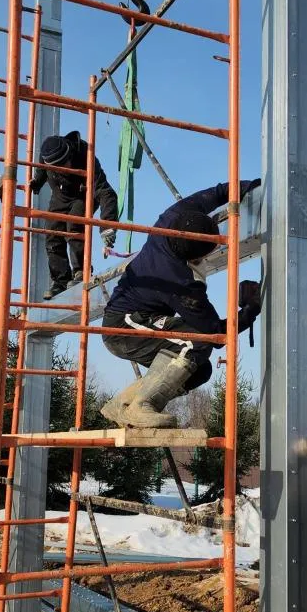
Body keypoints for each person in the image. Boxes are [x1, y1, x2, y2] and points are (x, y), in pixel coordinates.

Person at [99, 178, 263, 428]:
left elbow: (216, 192)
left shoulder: (172, 218)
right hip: (124, 326)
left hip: (140, 317)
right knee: (196, 342)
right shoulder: (179, 281)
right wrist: (250, 311)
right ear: (193, 257)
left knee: (199, 370)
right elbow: (213, 334)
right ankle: (143, 406)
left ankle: (123, 404)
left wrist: (247, 187)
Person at [29, 130, 121, 299]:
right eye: (60, 167)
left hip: (83, 194)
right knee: (52, 233)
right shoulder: (46, 157)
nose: (66, 167)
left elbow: (105, 192)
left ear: (70, 153)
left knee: (75, 226)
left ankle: (80, 272)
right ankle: (60, 280)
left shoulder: (84, 155)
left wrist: (108, 225)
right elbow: (41, 168)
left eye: (66, 162)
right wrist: (37, 181)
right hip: (60, 196)